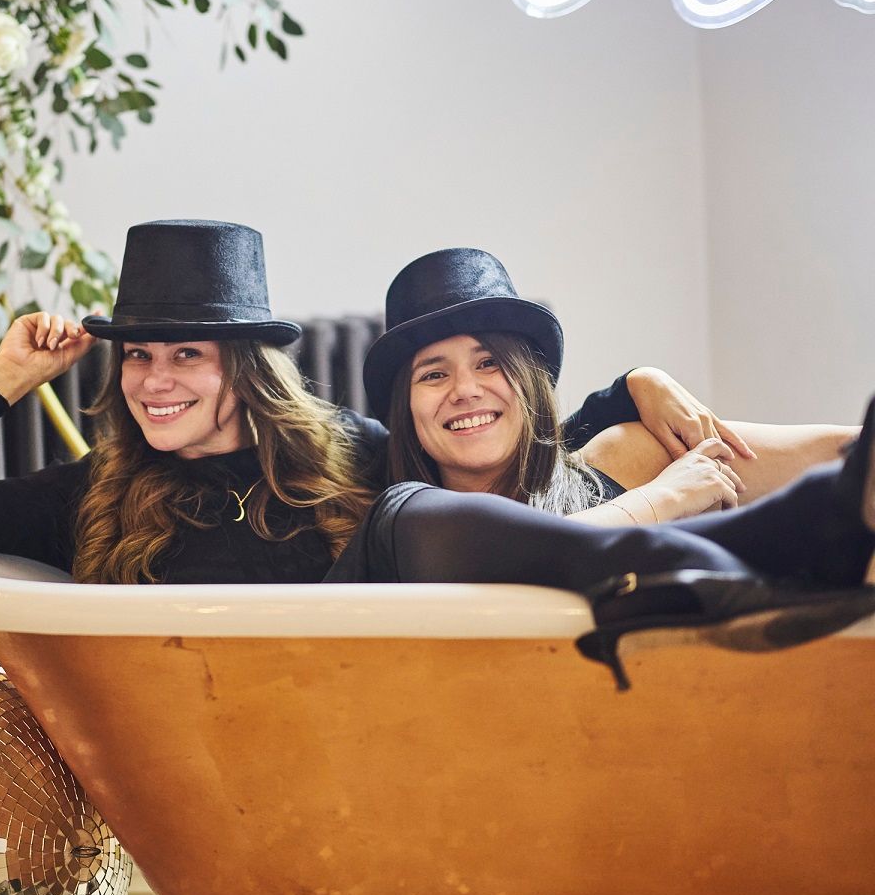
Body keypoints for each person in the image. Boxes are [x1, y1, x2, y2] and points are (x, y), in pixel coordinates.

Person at [0, 220, 703, 584]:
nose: (154, 380)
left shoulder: (351, 455)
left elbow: (493, 435)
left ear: (245, 371)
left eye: (188, 354)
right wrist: (4, 378)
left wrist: (633, 385)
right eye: (139, 356)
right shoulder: (90, 496)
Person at [327, 247, 875, 680]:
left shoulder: (612, 460)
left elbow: (841, 454)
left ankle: (795, 531)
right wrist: (657, 503)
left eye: (490, 362)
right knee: (408, 513)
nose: (466, 390)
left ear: (528, 382)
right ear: (406, 409)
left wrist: (642, 383)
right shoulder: (397, 506)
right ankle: (782, 535)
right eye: (433, 374)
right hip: (390, 636)